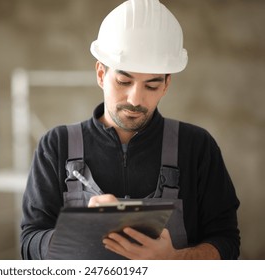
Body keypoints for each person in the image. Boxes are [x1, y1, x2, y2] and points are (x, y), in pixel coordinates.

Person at [20, 0, 240, 260]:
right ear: (101, 74)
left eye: (151, 85)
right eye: (124, 81)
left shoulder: (197, 147)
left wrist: (174, 261)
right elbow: (28, 243)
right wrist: (75, 233)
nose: (135, 99)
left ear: (167, 83)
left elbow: (227, 241)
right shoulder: (56, 146)